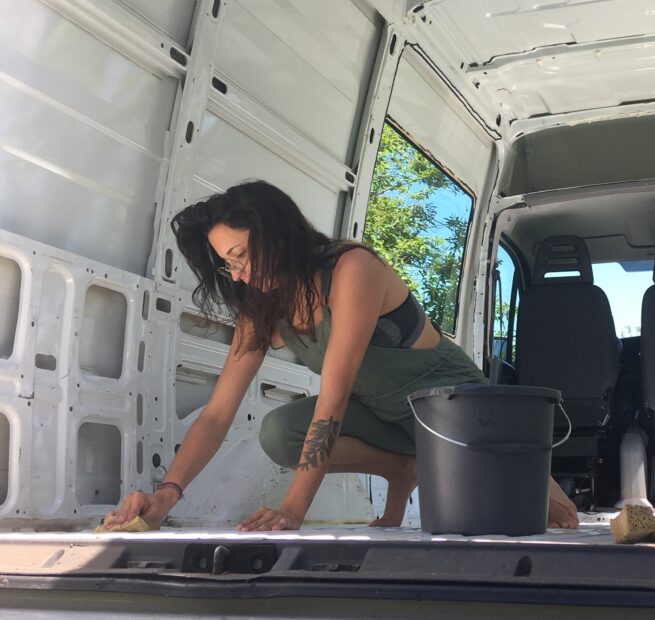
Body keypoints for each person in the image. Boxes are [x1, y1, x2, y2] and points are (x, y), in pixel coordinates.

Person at [105, 180, 580, 531]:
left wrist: (292, 510)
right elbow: (216, 414)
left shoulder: (353, 268)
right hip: (383, 414)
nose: (240, 273)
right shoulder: (261, 307)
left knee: (555, 521)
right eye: (229, 264)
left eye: (243, 254)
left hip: (459, 410)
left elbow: (332, 399)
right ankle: (402, 468)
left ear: (278, 232)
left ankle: (467, 466)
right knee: (279, 432)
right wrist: (166, 495)